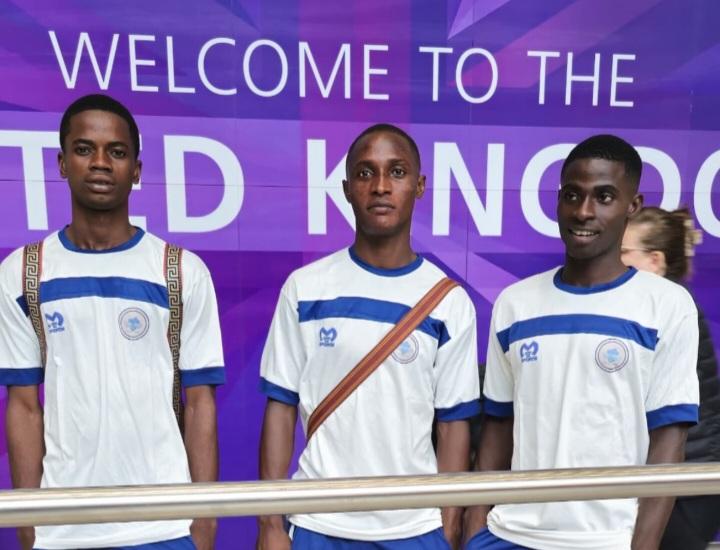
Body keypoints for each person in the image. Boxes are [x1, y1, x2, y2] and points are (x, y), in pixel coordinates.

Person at [0, 94, 225, 550]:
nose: (100, 163)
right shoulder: (24, 272)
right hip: (63, 527)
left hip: (163, 524)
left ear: (136, 170)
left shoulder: (180, 270)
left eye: (117, 152)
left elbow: (200, 403)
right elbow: (24, 406)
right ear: (62, 163)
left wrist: (203, 520)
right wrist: (29, 518)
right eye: (84, 149)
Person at [464, 134, 700, 549]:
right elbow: (499, 426)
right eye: (572, 195)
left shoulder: (666, 304)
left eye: (604, 196)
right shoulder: (515, 303)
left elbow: (669, 440)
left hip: (605, 539)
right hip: (509, 535)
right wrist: (475, 530)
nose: (584, 211)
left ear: (632, 205)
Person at [257, 124, 480, 549]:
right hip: (318, 522)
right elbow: (280, 407)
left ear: (419, 185)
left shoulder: (448, 301)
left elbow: (454, 426)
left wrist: (448, 525)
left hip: (413, 528)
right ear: (346, 189)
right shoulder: (305, 288)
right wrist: (270, 524)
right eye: (365, 173)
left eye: (397, 172)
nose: (380, 186)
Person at [622, 207, 720, 549]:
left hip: (686, 487)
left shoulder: (672, 312)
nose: (613, 261)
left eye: (624, 252)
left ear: (655, 261)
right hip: (673, 477)